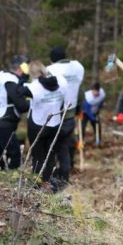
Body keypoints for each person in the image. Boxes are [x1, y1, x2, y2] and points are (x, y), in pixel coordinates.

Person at [24, 61, 66, 191]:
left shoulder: (33, 86)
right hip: (55, 123)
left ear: (32, 73)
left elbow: (19, 95)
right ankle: (48, 181)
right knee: (50, 154)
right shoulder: (60, 82)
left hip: (38, 124)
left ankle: (37, 184)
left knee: (38, 156)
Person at [46, 46, 85, 187]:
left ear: (52, 59)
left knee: (52, 147)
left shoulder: (51, 70)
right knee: (65, 147)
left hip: (56, 114)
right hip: (71, 113)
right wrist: (80, 108)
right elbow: (80, 91)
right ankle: (64, 177)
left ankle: (52, 177)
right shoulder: (76, 67)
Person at [0, 55, 30, 170]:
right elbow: (22, 106)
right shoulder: (10, 81)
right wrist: (31, 102)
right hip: (4, 122)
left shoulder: (0, 75)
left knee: (0, 154)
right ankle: (12, 179)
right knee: (15, 153)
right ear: (20, 69)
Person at [81, 82, 107, 147]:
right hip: (85, 113)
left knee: (97, 126)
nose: (94, 93)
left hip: (95, 112)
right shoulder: (87, 97)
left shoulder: (102, 94)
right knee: (82, 127)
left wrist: (99, 109)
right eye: (93, 91)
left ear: (98, 90)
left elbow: (101, 102)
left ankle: (98, 140)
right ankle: (81, 141)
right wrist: (93, 119)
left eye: (95, 91)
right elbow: (87, 110)